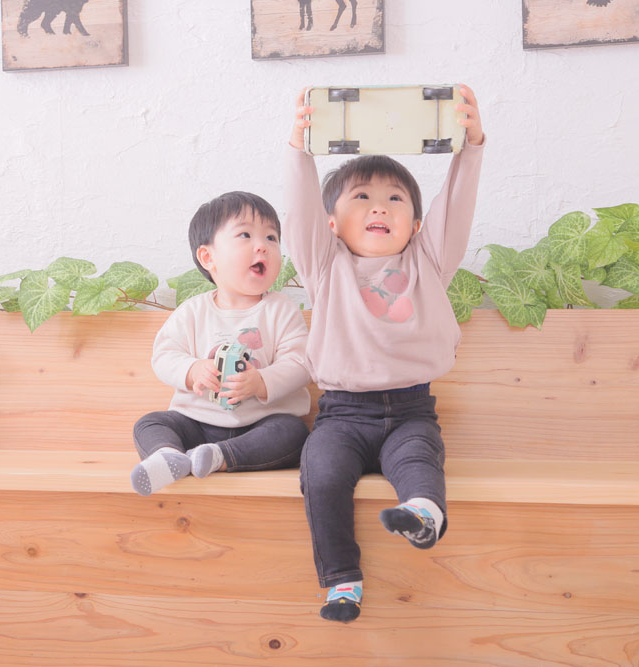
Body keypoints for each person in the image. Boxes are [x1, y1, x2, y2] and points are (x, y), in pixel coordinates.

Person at [285, 85, 485, 622]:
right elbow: (299, 212)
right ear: (331, 224)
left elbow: (456, 207)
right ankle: (341, 580)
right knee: (321, 473)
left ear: (416, 225)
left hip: (412, 410)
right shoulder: (324, 266)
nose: (379, 206)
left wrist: (472, 147)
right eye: (361, 198)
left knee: (419, 461)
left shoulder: (429, 260)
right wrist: (299, 149)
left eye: (396, 199)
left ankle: (423, 515)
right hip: (341, 416)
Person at [130, 191, 311, 496]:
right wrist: (192, 370)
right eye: (245, 235)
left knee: (292, 433)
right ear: (208, 258)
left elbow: (301, 363)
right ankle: (168, 456)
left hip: (261, 424)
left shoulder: (281, 310)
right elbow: (164, 355)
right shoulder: (192, 311)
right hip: (196, 422)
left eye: (271, 237)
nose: (262, 246)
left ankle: (219, 456)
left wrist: (261, 382)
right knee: (150, 423)